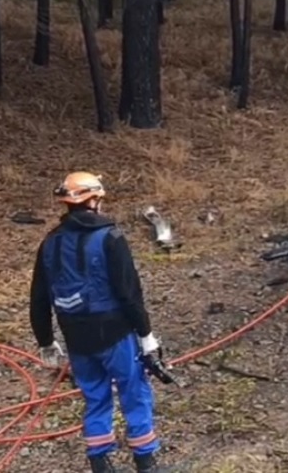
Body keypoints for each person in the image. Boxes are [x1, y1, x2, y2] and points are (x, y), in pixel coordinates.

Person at [29, 172, 167, 473]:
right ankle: (145, 460)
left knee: (95, 396)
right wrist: (146, 334)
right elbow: (130, 293)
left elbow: (38, 296)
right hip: (116, 333)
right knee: (135, 393)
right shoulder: (111, 237)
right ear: (94, 200)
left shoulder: (50, 242)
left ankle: (100, 462)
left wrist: (45, 340)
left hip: (76, 337)